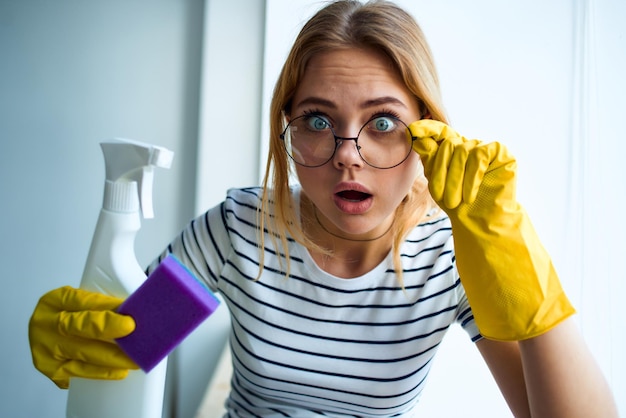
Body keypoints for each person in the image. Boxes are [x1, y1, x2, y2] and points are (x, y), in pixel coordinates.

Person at [28, 1, 618, 417]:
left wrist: (528, 281)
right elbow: (132, 344)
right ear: (286, 129)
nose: (348, 157)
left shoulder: (450, 259)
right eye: (317, 121)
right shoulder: (240, 230)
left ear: (430, 136)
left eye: (383, 123)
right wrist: (90, 345)